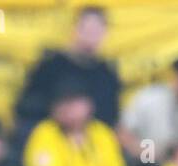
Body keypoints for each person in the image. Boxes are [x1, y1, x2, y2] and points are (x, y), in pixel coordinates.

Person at [15, 6, 121, 142]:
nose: (91, 35)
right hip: (50, 136)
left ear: (105, 34)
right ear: (75, 29)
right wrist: (60, 113)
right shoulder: (51, 65)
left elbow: (111, 117)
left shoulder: (107, 74)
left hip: (92, 142)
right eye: (87, 29)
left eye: (96, 30)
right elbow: (25, 106)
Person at [23, 82, 125, 166]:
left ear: (88, 105)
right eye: (62, 103)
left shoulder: (102, 132)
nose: (67, 109)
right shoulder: (45, 131)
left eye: (73, 103)